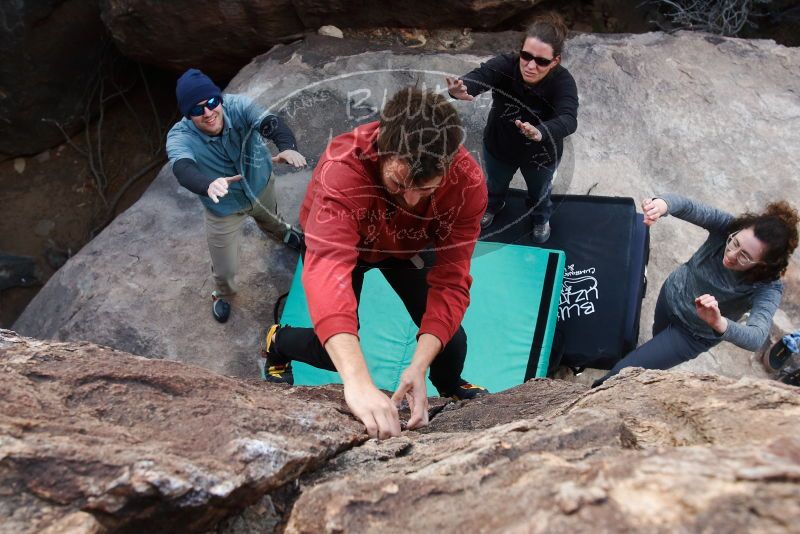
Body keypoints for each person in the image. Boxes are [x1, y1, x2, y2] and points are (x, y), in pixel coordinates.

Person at [261, 87, 489, 439]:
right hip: (345, 240)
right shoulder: (343, 166)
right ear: (383, 149)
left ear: (448, 164)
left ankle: (448, 387)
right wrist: (357, 382)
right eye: (399, 183)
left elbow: (452, 278)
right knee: (331, 349)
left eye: (426, 191)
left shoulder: (466, 182)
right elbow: (329, 270)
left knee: (451, 341)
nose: (411, 200)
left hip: (404, 245)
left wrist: (419, 364)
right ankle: (280, 342)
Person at [593, 194, 799, 387]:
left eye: (745, 256)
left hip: (691, 334)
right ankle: (653, 350)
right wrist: (662, 204)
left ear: (763, 264)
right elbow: (688, 206)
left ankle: (586, 399)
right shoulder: (726, 227)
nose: (731, 254)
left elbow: (756, 337)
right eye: (735, 242)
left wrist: (719, 323)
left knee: (622, 372)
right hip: (671, 295)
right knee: (657, 338)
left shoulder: (768, 287)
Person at [166, 68, 307, 323]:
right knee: (225, 267)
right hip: (223, 207)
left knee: (272, 218)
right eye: (197, 110)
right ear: (188, 115)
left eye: (211, 103)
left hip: (260, 185)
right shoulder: (179, 136)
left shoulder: (239, 106)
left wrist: (286, 147)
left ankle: (284, 233)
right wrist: (206, 183)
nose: (208, 113)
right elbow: (182, 168)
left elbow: (270, 123)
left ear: (218, 99)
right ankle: (222, 293)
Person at [446, 12, 578, 242]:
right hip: (500, 145)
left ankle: (540, 218)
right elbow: (480, 76)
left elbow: (569, 118)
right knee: (494, 184)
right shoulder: (505, 65)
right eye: (526, 56)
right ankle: (493, 206)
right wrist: (461, 89)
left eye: (542, 61)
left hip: (541, 154)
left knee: (540, 193)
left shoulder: (563, 81)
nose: (530, 65)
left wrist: (541, 132)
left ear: (555, 61)